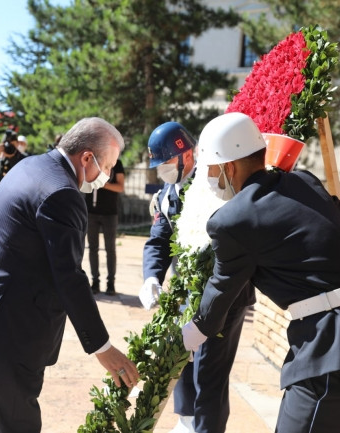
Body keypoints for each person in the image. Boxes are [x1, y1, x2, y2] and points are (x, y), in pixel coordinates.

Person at [181, 112, 340, 433]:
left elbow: (223, 284)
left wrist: (196, 329)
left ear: (228, 167)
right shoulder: (303, 182)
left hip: (330, 349)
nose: (211, 179)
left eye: (211, 170)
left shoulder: (232, 220)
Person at [0, 117, 138, 433]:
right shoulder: (62, 193)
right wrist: (102, 347)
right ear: (86, 158)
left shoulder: (33, 165)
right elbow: (69, 277)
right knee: (16, 424)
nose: (105, 177)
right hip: (11, 328)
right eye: (106, 167)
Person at [139, 121, 204, 433]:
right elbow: (159, 240)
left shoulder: (212, 185)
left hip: (214, 291)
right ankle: (187, 418)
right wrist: (151, 277)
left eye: (165, 163)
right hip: (183, 289)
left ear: (186, 156)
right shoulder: (167, 193)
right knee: (180, 352)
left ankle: (203, 423)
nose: (161, 171)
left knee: (206, 362)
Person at [85, 158, 125, 295]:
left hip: (109, 213)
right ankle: (95, 281)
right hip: (91, 212)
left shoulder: (116, 163)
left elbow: (120, 186)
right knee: (92, 248)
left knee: (110, 249)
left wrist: (103, 184)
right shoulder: (90, 161)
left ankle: (111, 283)